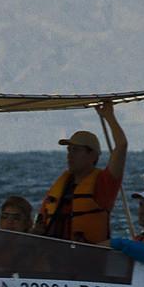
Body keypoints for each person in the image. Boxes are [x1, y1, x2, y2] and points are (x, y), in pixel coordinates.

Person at [35, 102, 127, 244]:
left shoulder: (103, 184)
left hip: (85, 259)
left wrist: (108, 116)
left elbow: (121, 146)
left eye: (76, 150)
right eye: (69, 150)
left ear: (93, 156)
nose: (69, 155)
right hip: (52, 256)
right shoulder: (62, 185)